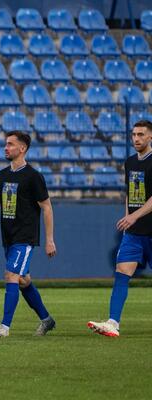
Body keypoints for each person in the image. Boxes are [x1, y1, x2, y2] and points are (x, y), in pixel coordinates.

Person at [0, 131, 57, 338]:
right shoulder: (3, 175)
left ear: (22, 148)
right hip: (8, 237)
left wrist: (49, 240)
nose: (6, 148)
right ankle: (46, 319)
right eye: (6, 144)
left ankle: (4, 327)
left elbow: (47, 207)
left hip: (25, 237)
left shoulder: (33, 176)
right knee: (23, 280)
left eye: (10, 144)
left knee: (11, 276)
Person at [88, 120, 152, 337]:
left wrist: (134, 216)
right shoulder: (130, 162)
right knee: (122, 273)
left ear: (150, 137)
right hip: (133, 233)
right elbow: (130, 193)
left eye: (141, 134)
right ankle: (113, 323)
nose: (136, 138)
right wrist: (127, 218)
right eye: (134, 134)